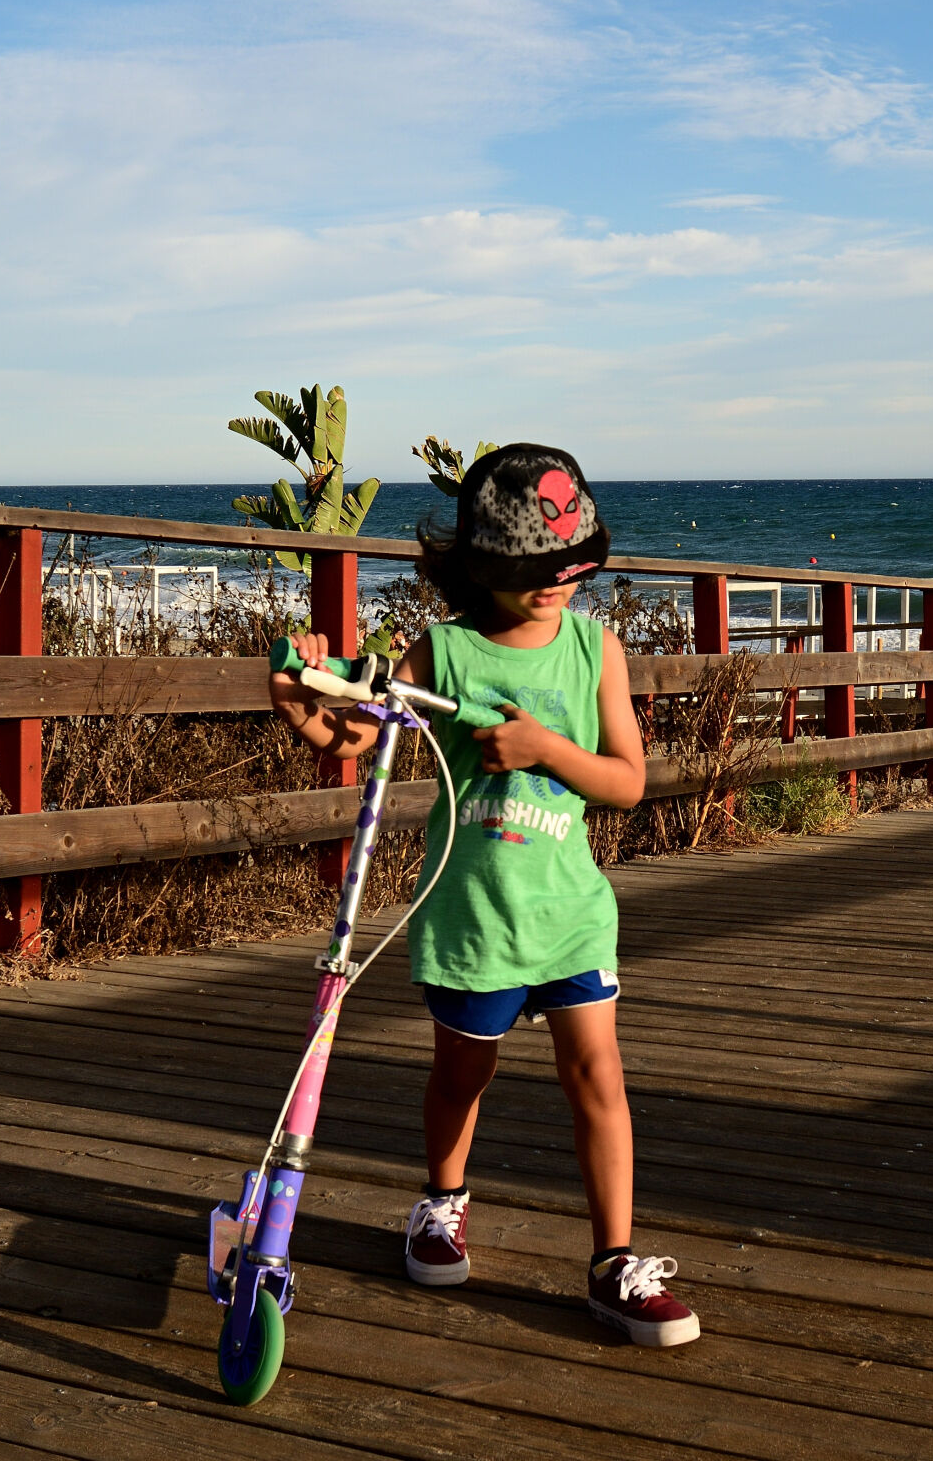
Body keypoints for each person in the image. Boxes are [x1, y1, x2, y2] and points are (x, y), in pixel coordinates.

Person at [267, 443, 699, 1348]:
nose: (553, 587)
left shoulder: (595, 648)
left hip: (569, 911)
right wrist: (301, 702)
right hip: (472, 914)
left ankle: (614, 1262)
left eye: (569, 568)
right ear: (480, 567)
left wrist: (548, 751)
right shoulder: (445, 651)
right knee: (463, 1074)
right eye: (532, 571)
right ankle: (441, 1203)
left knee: (599, 1077)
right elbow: (358, 736)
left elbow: (626, 781)